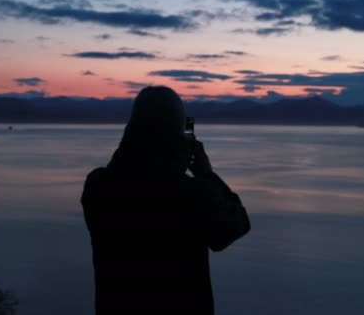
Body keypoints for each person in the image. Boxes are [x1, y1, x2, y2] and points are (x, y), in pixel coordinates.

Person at [81, 86, 250, 315]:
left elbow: (125, 169)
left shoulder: (98, 186)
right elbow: (237, 224)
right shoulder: (190, 195)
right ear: (175, 136)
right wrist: (205, 173)